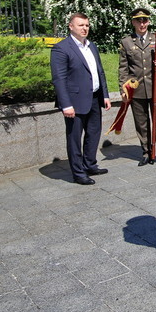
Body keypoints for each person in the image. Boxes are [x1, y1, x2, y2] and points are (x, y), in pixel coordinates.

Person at [50, 13, 111, 185]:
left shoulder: (91, 46)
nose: (85, 28)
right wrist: (66, 105)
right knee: (74, 138)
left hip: (94, 98)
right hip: (74, 102)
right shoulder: (61, 48)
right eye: (80, 25)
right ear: (71, 26)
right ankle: (78, 173)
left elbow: (100, 72)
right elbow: (59, 79)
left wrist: (105, 95)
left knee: (93, 133)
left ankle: (90, 164)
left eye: (87, 25)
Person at [118, 8, 156, 167]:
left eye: (145, 20)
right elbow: (123, 68)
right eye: (138, 21)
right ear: (133, 22)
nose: (142, 24)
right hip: (136, 89)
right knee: (141, 123)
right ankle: (146, 152)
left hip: (155, 88)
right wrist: (123, 89)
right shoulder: (127, 42)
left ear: (149, 21)